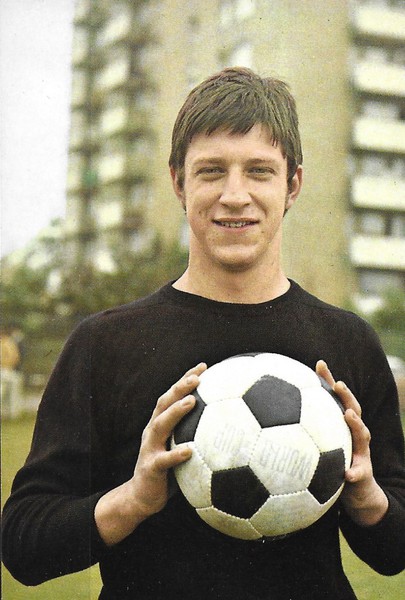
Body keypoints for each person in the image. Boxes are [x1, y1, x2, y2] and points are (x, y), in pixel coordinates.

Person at [2, 67, 405, 599]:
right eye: (211, 171)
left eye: (259, 171)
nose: (235, 195)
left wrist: (368, 498)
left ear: (292, 185)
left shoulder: (348, 342)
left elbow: (393, 555)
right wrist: (133, 500)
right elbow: (24, 545)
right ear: (179, 183)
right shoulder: (105, 344)